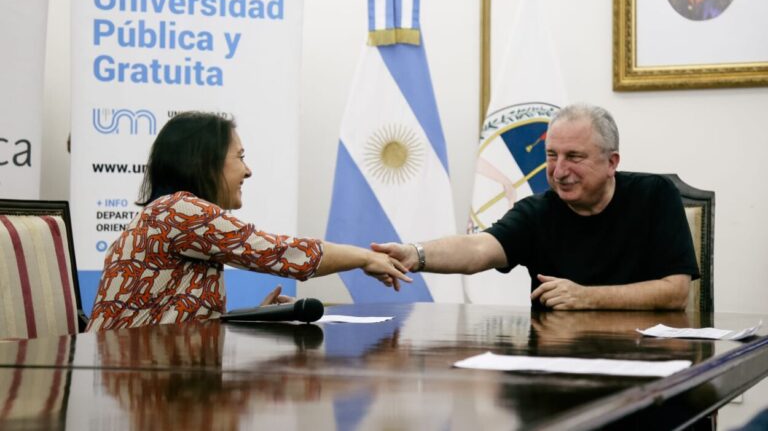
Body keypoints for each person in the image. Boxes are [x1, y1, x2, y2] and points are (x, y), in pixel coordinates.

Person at [87, 111, 410, 331]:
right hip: (136, 380)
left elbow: (173, 316)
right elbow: (282, 254)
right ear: (204, 162)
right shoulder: (179, 211)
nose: (248, 170)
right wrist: (365, 256)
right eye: (239, 157)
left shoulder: (165, 213)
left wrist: (257, 315)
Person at [373, 104, 700, 310]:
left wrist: (586, 297)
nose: (559, 171)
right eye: (551, 156)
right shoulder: (538, 212)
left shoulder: (655, 196)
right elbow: (477, 249)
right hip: (555, 364)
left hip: (645, 362)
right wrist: (415, 254)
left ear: (611, 162)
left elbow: (674, 292)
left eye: (574, 157)